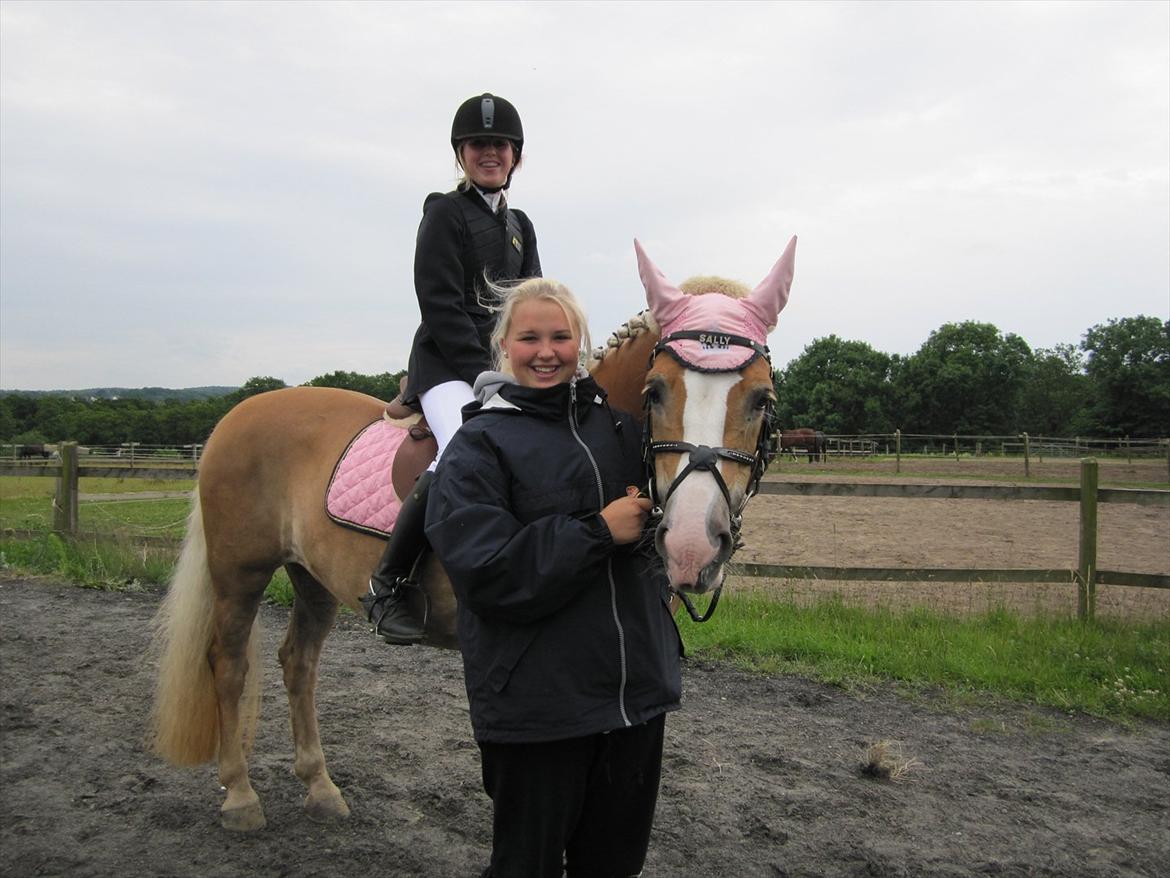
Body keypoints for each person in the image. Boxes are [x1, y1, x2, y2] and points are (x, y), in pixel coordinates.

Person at [424, 278, 684, 877]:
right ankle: (392, 577)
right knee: (526, 867)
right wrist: (598, 530)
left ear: (581, 344)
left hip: (635, 699)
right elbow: (487, 571)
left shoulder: (625, 433)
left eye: (561, 337)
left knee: (614, 866)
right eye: (530, 337)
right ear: (504, 347)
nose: (547, 351)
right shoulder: (477, 445)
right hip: (539, 710)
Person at [362, 93, 541, 644]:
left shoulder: (521, 225)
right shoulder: (444, 212)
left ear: (515, 155)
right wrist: (488, 374)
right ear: (461, 154)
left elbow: (531, 304)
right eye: (478, 144)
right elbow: (439, 304)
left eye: (499, 145)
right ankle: (387, 584)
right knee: (463, 446)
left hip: (502, 366)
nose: (490, 152)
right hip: (446, 365)